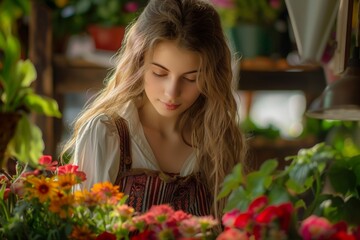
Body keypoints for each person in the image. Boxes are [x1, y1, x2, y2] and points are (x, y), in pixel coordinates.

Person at [61, 0, 247, 220]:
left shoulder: (217, 140)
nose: (172, 92)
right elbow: (84, 229)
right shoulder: (106, 134)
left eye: (190, 78)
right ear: (139, 64)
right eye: (160, 73)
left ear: (209, 78)